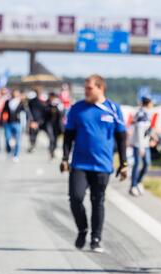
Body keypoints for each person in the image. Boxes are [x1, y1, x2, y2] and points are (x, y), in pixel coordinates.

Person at [60, 74, 128, 253]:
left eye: (89, 88)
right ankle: (82, 229)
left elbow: (121, 138)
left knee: (98, 202)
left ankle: (96, 238)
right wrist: (65, 158)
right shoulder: (77, 108)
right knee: (75, 198)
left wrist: (124, 163)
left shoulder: (113, 109)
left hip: (102, 165)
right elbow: (68, 136)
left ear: (100, 88)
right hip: (80, 164)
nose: (86, 91)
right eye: (85, 88)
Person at [129, 96, 158, 196]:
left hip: (145, 144)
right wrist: (141, 147)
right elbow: (140, 131)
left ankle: (138, 182)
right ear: (148, 103)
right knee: (137, 164)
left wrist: (153, 136)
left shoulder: (147, 113)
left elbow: (148, 128)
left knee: (146, 163)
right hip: (139, 144)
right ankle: (133, 185)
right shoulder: (141, 114)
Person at [2, 89, 29, 162]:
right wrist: (3, 120)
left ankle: (16, 155)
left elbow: (26, 113)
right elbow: (4, 112)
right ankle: (9, 151)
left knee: (17, 140)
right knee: (7, 138)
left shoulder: (21, 102)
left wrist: (25, 124)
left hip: (18, 123)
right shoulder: (7, 102)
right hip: (8, 123)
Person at [43, 92, 63, 159]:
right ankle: (51, 151)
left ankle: (53, 150)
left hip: (57, 124)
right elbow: (45, 112)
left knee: (56, 139)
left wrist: (57, 106)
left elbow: (61, 114)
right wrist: (51, 106)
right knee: (51, 138)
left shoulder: (58, 104)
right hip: (49, 123)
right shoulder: (47, 104)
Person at [27, 89, 46, 153]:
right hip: (34, 120)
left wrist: (38, 122)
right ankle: (32, 144)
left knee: (34, 133)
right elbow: (29, 111)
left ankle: (33, 144)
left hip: (38, 120)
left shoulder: (42, 102)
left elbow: (44, 112)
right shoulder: (31, 101)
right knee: (32, 133)